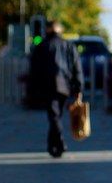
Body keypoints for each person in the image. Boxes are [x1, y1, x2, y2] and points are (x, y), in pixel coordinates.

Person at [28, 19, 83, 158]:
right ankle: (53, 145)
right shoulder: (69, 46)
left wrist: (32, 89)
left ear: (47, 30)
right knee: (56, 115)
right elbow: (77, 69)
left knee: (54, 116)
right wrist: (78, 88)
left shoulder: (42, 46)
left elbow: (34, 70)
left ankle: (59, 142)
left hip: (48, 85)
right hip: (65, 85)